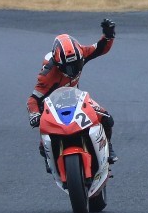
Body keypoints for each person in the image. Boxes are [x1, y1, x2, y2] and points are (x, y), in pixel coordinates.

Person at [27, 19, 119, 165]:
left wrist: (108, 35)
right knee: (43, 147)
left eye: (77, 64)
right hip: (53, 105)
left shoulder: (82, 52)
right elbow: (33, 100)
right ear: (58, 64)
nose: (74, 70)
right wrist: (35, 115)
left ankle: (108, 146)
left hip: (76, 99)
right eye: (68, 67)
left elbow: (101, 48)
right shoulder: (47, 75)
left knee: (106, 119)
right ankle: (51, 161)